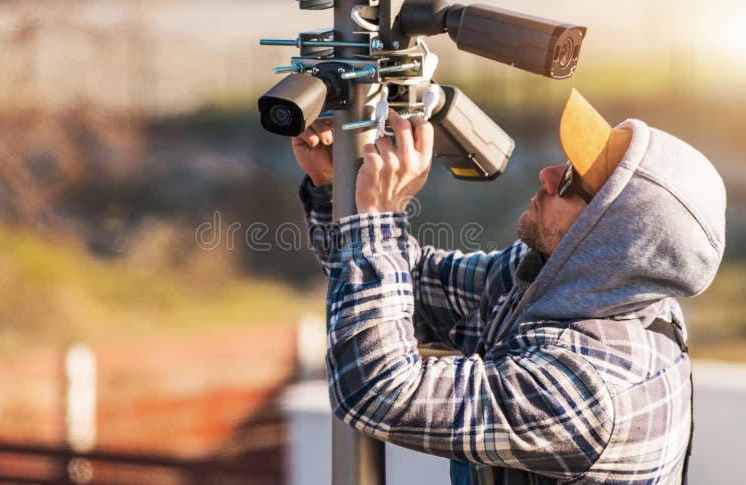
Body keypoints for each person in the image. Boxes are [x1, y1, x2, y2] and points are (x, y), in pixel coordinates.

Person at [292, 89, 726, 484]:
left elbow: (378, 390)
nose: (549, 174)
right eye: (567, 162)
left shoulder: (594, 390)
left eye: (574, 182)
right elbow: (418, 288)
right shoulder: (577, 283)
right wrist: (336, 189)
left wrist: (377, 219)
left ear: (610, 238)